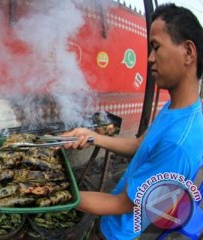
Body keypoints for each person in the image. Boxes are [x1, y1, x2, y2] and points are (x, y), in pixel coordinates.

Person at [62, 3, 203, 239]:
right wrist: (92, 135)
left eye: (156, 47)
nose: (149, 58)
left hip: (121, 233)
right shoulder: (177, 108)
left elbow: (120, 204)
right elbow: (139, 145)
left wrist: (60, 194)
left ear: (188, 52)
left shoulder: (179, 142)